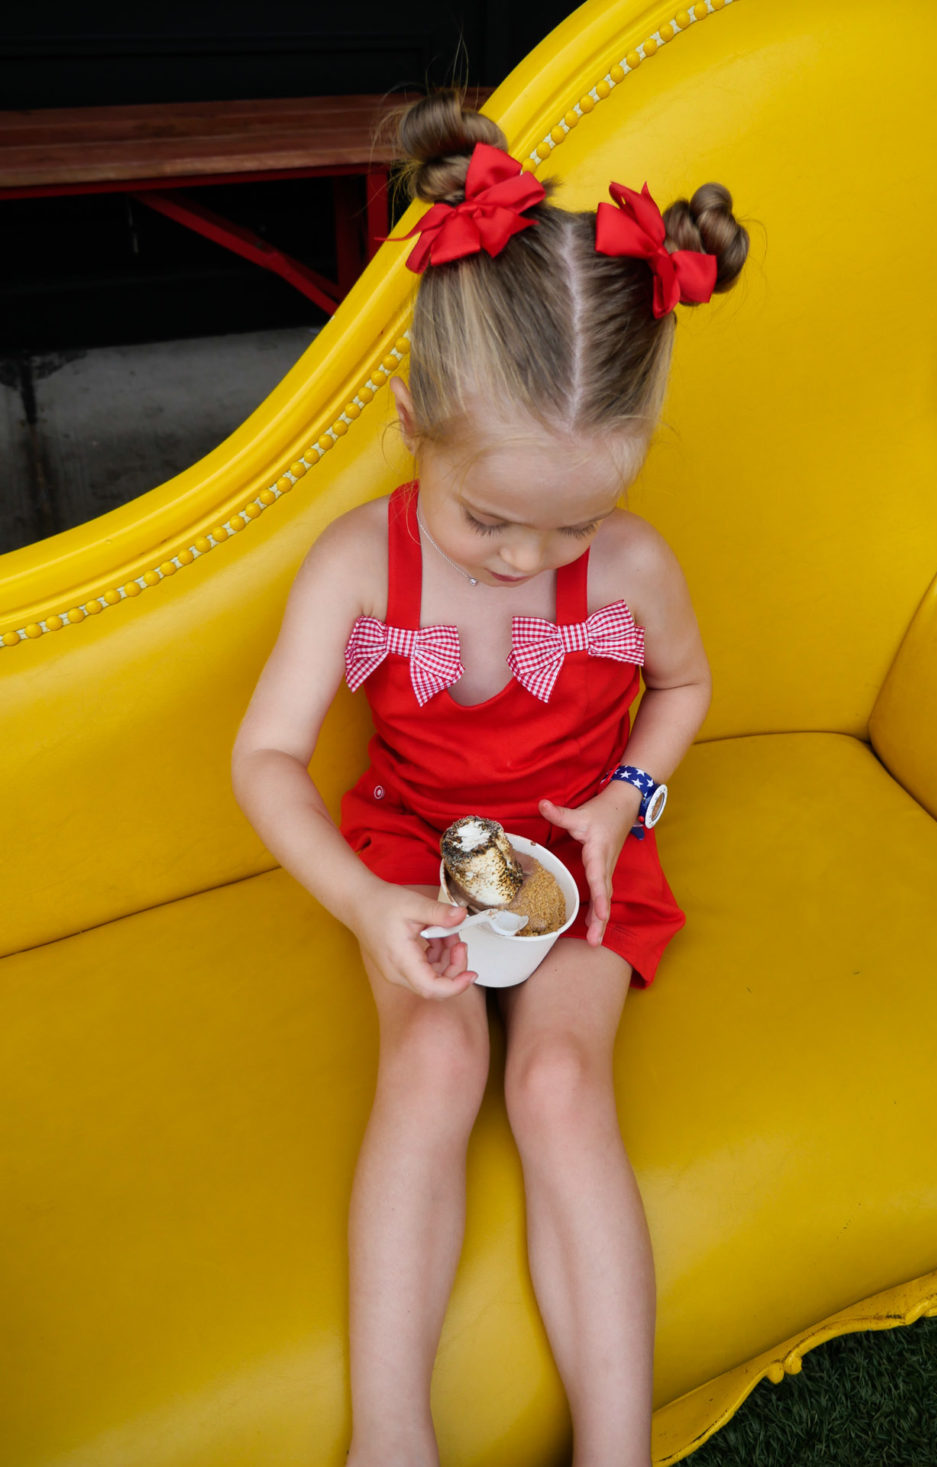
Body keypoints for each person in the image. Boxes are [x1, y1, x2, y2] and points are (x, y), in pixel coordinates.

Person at [231, 90, 749, 1467]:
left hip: (578, 845)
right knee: (432, 1060)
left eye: (574, 518)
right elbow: (268, 756)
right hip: (412, 845)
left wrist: (620, 805)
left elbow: (686, 690)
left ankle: (616, 1448)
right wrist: (360, 903)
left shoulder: (632, 569)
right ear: (412, 422)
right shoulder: (356, 569)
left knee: (563, 1088)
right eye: (490, 519)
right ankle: (391, 1436)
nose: (530, 558)